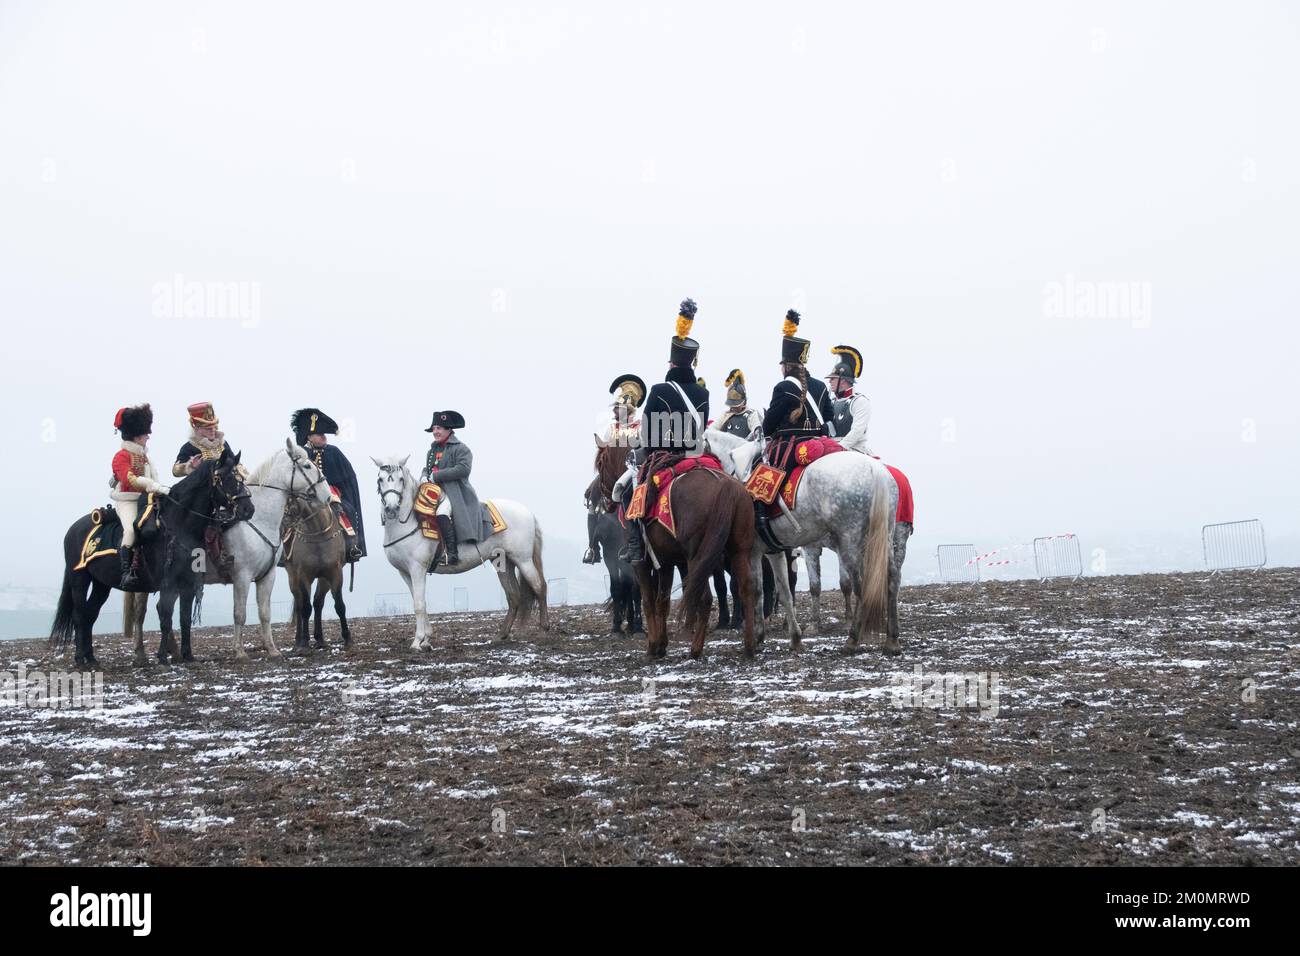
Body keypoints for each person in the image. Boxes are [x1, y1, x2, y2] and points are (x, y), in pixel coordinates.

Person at [616, 298, 709, 563]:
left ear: (672, 364)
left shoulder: (659, 390)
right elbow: (701, 425)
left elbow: (646, 430)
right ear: (692, 363)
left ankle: (635, 546)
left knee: (626, 493)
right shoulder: (703, 392)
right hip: (694, 455)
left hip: (663, 457)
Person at [173, 402, 241, 577]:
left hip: (222, 494)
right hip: (200, 497)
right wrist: (190, 466)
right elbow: (175, 470)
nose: (213, 430)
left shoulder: (223, 445)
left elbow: (236, 466)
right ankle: (215, 562)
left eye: (214, 426)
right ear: (196, 427)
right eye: (208, 427)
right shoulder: (190, 447)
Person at [584, 374, 644, 564]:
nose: (615, 412)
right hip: (610, 471)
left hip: (632, 469)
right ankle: (592, 547)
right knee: (592, 498)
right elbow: (602, 449)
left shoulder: (640, 426)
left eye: (618, 408)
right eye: (616, 408)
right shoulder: (611, 428)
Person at [291, 408, 365, 562]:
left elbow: (348, 477)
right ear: (309, 437)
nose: (324, 437)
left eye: (324, 434)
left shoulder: (334, 451)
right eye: (320, 434)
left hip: (333, 495)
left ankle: (352, 546)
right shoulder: (301, 454)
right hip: (306, 495)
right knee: (288, 514)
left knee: (348, 510)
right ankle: (286, 551)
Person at [109, 404, 170, 588]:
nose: (148, 437)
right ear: (136, 436)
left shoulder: (146, 457)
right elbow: (130, 480)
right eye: (145, 434)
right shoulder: (121, 456)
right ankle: (126, 572)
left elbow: (154, 478)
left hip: (148, 500)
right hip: (128, 501)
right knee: (129, 531)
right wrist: (152, 485)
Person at [761, 309, 836, 440]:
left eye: (782, 365)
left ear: (787, 366)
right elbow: (829, 418)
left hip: (791, 447)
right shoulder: (821, 386)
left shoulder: (783, 388)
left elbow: (768, 426)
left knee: (759, 460)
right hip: (819, 444)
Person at [419, 410, 481, 567]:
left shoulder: (461, 449)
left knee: (441, 512)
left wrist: (436, 476)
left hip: (454, 493)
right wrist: (424, 476)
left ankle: (452, 554)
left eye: (439, 428)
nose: (435, 432)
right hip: (434, 493)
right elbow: (429, 468)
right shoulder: (432, 451)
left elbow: (463, 469)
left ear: (448, 430)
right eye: (433, 429)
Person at [826, 344, 873, 455]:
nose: (829, 382)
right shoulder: (831, 402)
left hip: (854, 449)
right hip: (830, 448)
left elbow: (857, 431)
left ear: (843, 380)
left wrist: (839, 448)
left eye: (833, 378)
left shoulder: (859, 401)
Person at [710, 369, 762, 439]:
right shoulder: (726, 415)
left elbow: (757, 431)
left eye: (736, 405)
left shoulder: (751, 415)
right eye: (731, 405)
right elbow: (711, 430)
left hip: (745, 448)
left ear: (744, 401)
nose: (733, 407)